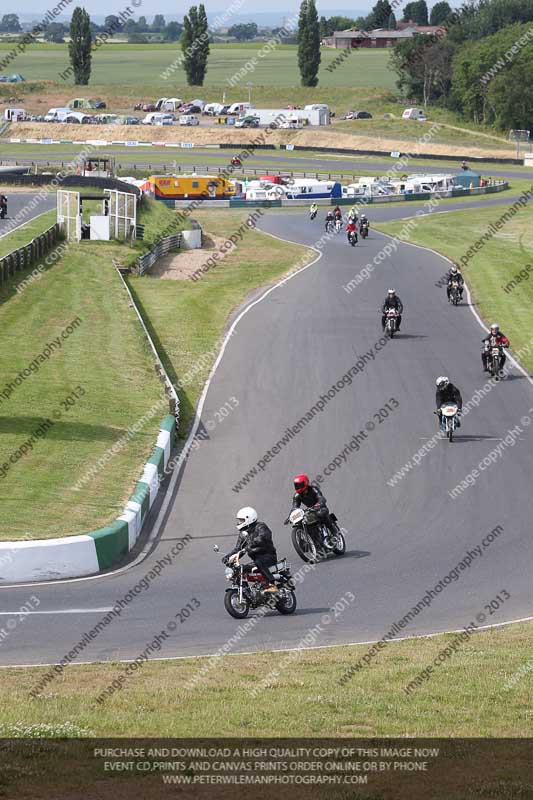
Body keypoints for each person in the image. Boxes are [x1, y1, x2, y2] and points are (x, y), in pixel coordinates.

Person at [224, 507, 279, 593]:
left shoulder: (261, 526)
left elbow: (262, 538)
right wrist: (227, 557)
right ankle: (247, 594)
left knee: (259, 562)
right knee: (239, 569)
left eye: (241, 520)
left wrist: (247, 548)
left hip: (268, 557)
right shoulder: (243, 533)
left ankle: (272, 584)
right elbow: (238, 548)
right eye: (239, 520)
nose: (239, 523)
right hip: (256, 560)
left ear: (249, 519)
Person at [287, 474, 335, 548]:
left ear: (305, 483)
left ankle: (334, 532)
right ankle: (316, 542)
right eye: (296, 485)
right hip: (310, 510)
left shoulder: (313, 489)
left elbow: (321, 498)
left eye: (300, 485)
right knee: (305, 522)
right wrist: (290, 516)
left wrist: (318, 504)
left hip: (319, 507)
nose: (298, 487)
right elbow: (295, 507)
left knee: (322, 513)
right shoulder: (297, 496)